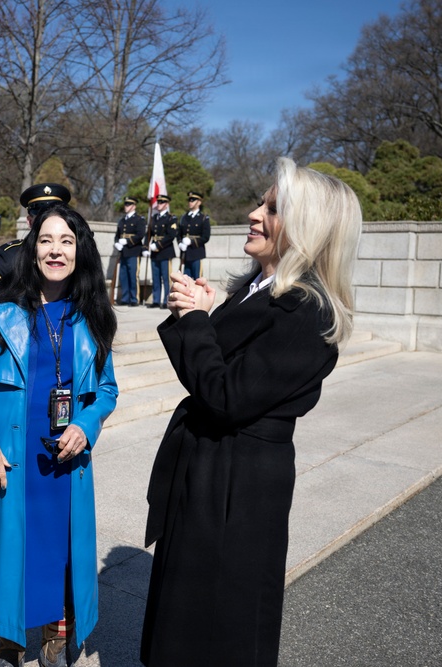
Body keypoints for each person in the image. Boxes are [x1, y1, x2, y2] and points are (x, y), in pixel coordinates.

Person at [140, 157, 363, 666]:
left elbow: (225, 398)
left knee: (220, 616)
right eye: (261, 203)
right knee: (187, 606)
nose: (254, 214)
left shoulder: (309, 311)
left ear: (308, 229)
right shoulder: (257, 289)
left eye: (273, 209)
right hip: (209, 465)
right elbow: (210, 377)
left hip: (238, 481)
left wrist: (197, 321)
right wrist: (199, 314)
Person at [0, 203, 119, 667]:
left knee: (58, 547)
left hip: (65, 457)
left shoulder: (92, 312)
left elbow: (107, 389)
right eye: (46, 240)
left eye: (67, 241)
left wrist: (87, 425)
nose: (56, 251)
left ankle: (56, 635)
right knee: (9, 548)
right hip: (6, 452)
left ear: (80, 250)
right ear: (31, 247)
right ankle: (9, 638)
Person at [0, 182, 71, 283]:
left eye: (55, 214)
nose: (49, 220)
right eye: (42, 217)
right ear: (29, 221)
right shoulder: (8, 256)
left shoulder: (78, 253)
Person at [144, 194, 177, 308]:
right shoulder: (154, 218)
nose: (159, 204)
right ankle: (156, 300)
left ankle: (167, 300)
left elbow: (171, 235)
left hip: (165, 251)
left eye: (162, 202)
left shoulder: (171, 218)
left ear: (166, 204)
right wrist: (146, 247)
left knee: (166, 278)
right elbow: (148, 234)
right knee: (156, 277)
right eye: (158, 202)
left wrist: (158, 245)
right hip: (154, 252)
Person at [113, 196, 145, 306]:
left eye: (129, 204)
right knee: (124, 276)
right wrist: (116, 243)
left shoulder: (139, 219)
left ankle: (134, 298)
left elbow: (140, 235)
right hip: (123, 252)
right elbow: (117, 235)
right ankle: (125, 298)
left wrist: (127, 241)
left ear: (134, 206)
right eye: (125, 204)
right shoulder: (122, 220)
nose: (126, 206)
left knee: (133, 276)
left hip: (133, 251)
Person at [178, 190, 210, 279]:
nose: (190, 202)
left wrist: (191, 242)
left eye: (193, 200)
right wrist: (180, 243)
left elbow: (205, 237)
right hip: (185, 254)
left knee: (197, 279)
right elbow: (179, 233)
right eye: (189, 200)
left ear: (199, 202)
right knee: (185, 279)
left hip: (196, 252)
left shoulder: (203, 218)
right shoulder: (184, 217)